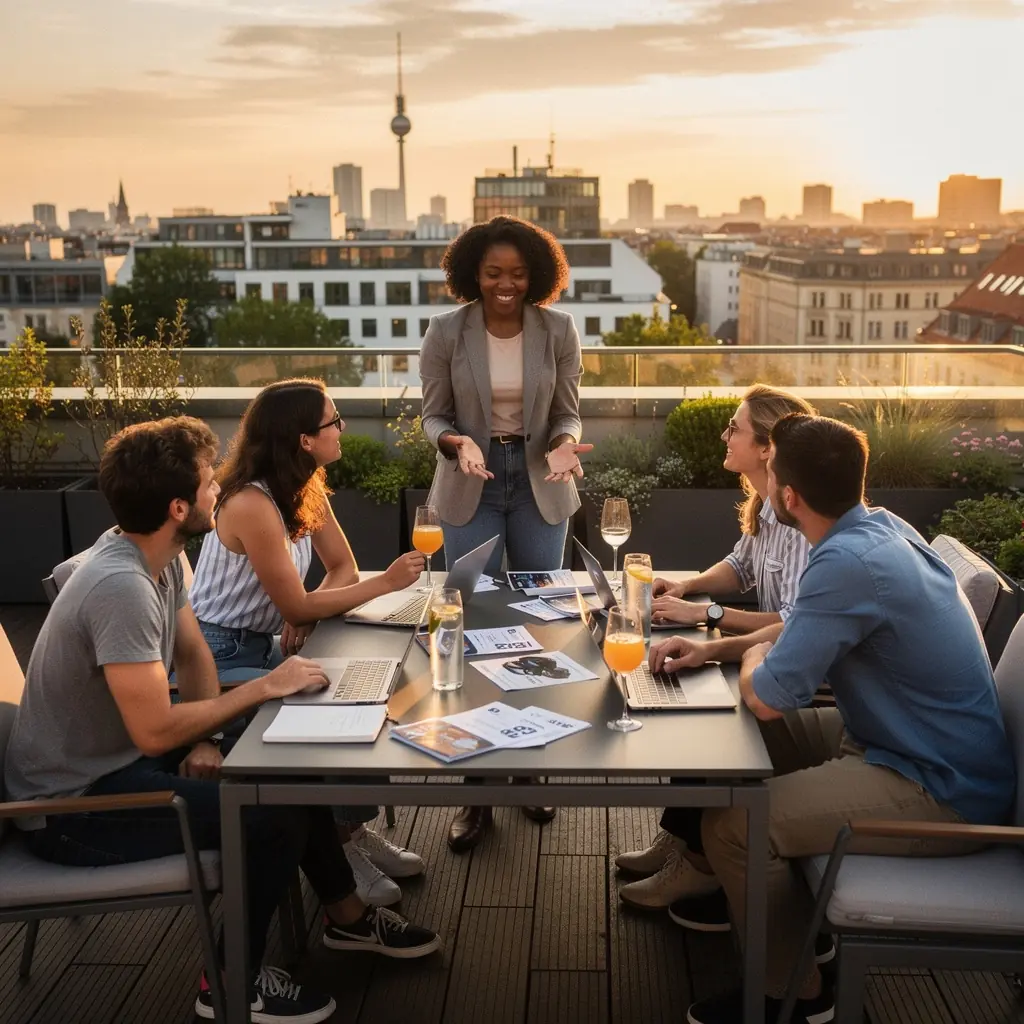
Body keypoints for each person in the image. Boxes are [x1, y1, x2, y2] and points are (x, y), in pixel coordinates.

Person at [4, 417, 441, 1024]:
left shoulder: (155, 556)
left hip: (123, 760)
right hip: (74, 805)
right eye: (211, 484)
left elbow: (193, 654)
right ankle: (231, 982)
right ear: (179, 506)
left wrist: (208, 736)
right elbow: (156, 730)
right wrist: (265, 684)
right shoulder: (121, 588)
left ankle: (346, 919)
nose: (221, 492)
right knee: (265, 818)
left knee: (290, 763)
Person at [650, 413, 1016, 1024]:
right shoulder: (878, 526)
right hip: (892, 740)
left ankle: (792, 994)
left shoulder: (844, 562)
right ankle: (792, 925)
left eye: (773, 480)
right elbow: (798, 629)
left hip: (938, 785)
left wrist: (753, 655)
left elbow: (767, 695)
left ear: (786, 496)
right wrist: (714, 649)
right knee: (727, 735)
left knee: (736, 825)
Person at [188, 378, 427, 906]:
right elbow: (299, 603)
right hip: (216, 656)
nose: (342, 428)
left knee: (369, 677)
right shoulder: (251, 502)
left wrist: (309, 608)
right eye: (333, 421)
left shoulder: (304, 485)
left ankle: (351, 831)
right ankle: (342, 847)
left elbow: (341, 567)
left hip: (261, 643)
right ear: (302, 439)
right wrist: (381, 585)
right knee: (332, 699)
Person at [419, 215, 593, 853]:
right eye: (494, 274)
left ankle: (530, 766)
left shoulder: (558, 329)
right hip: (472, 477)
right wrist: (456, 440)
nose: (506, 285)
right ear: (472, 273)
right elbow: (432, 411)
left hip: (541, 476)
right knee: (471, 628)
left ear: (537, 276)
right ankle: (475, 794)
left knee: (542, 623)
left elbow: (568, 409)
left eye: (518, 274)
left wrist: (567, 444)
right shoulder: (446, 331)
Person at [617, 384, 815, 906]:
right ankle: (685, 839)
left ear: (768, 448)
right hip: (766, 655)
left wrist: (706, 615)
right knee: (691, 687)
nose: (725, 435)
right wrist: (689, 586)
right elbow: (741, 567)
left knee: (702, 704)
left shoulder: (801, 519)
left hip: (801, 677)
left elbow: (799, 621)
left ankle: (702, 863)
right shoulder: (765, 503)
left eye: (735, 428)